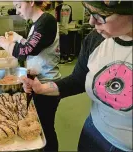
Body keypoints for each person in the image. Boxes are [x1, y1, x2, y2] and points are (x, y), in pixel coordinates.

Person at [21, 1, 133, 152]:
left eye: (99, 15)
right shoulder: (95, 40)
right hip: (94, 133)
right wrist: (42, 88)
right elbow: (78, 80)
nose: (91, 22)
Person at [0, 1, 61, 151]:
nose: (17, 11)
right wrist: (18, 39)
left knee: (45, 130)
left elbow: (25, 51)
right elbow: (35, 48)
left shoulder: (47, 21)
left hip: (47, 85)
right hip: (36, 81)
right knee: (41, 126)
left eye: (19, 5)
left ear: (31, 2)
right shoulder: (37, 24)